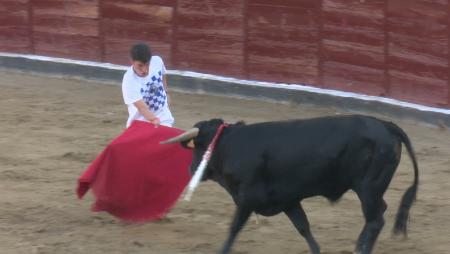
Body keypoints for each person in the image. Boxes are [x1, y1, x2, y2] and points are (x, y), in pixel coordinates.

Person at [122, 43, 174, 128]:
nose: (144, 70)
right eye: (140, 66)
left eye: (147, 64)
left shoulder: (157, 61)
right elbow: (142, 107)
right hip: (140, 120)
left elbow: (163, 74)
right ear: (132, 61)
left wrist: (166, 92)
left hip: (163, 114)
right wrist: (153, 119)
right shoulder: (129, 80)